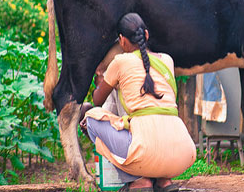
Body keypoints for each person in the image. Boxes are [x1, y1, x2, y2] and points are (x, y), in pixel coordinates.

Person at [81, 13, 196, 192]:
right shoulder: (167, 60)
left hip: (145, 152)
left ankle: (140, 181)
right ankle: (164, 181)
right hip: (183, 154)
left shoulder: (120, 61)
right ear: (146, 35)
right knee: (154, 118)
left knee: (90, 118)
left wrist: (102, 78)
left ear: (121, 40)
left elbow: (97, 99)